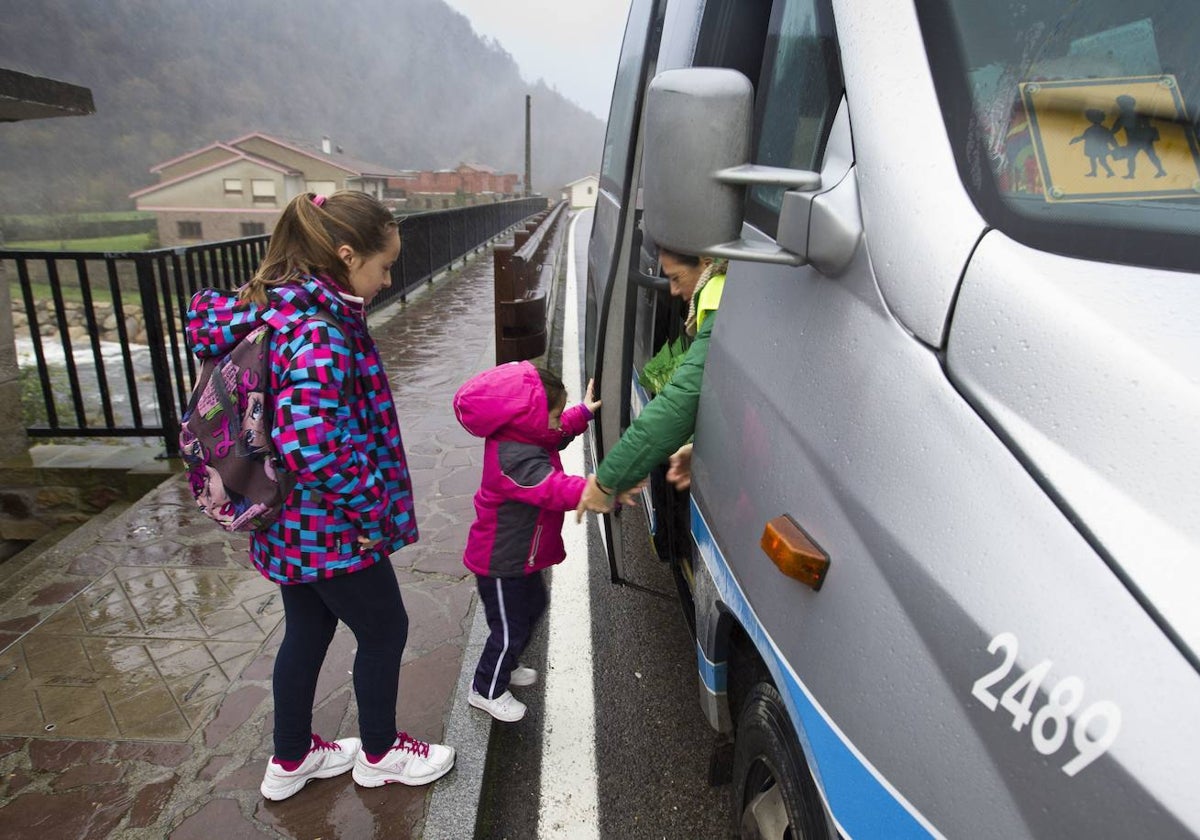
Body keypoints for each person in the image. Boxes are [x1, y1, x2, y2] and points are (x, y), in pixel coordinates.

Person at [186, 191, 454, 802]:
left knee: (306, 630)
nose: (388, 279)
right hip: (327, 522)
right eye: (383, 266)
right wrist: (371, 509)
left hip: (279, 512)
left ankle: (291, 758)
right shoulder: (319, 328)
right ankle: (381, 753)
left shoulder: (270, 312)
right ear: (344, 253)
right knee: (385, 629)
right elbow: (314, 439)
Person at [453, 362, 604, 722]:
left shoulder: (525, 434)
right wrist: (594, 488)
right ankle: (486, 688)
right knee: (509, 628)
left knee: (533, 606)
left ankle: (507, 662)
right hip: (500, 562)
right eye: (552, 415)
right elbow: (550, 488)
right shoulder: (512, 458)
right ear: (532, 416)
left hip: (520, 558)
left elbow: (555, 432)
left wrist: (581, 413)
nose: (555, 423)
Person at [576, 247, 727, 517]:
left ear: (706, 262)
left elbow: (677, 406)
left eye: (677, 278)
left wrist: (606, 481)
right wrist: (705, 447)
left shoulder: (722, 308)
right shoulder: (730, 294)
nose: (673, 291)